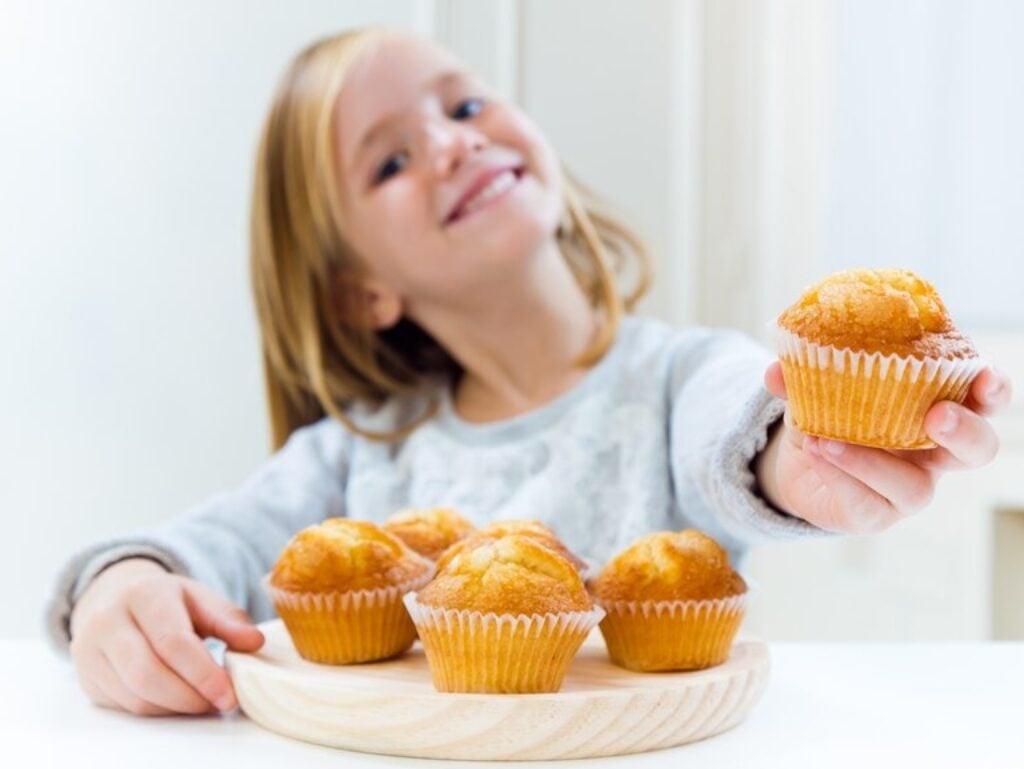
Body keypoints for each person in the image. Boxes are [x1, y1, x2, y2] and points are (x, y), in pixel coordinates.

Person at [46, 27, 1011, 717]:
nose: (453, 141)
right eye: (390, 162)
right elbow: (215, 543)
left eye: (464, 105)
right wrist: (121, 584)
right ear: (360, 293)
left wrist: (801, 461)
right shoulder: (352, 457)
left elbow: (742, 426)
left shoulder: (680, 376)